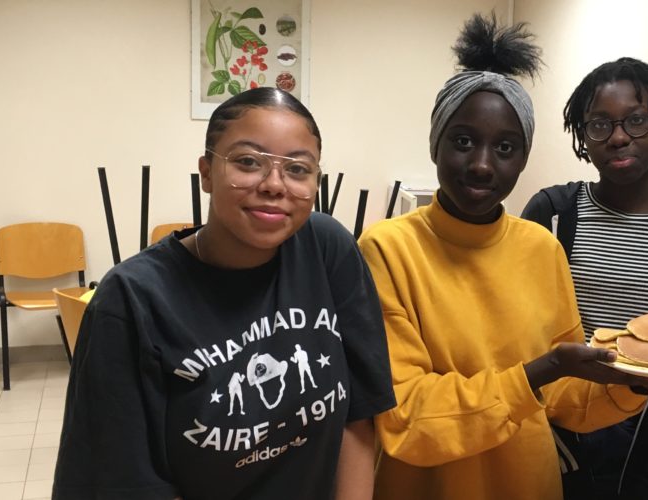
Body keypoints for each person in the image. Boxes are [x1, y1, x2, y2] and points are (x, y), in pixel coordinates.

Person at [357, 14, 648, 500]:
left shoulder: (540, 248)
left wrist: (637, 381)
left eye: (505, 147)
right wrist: (542, 369)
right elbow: (407, 415)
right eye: (463, 141)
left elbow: (566, 400)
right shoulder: (387, 249)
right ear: (435, 144)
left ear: (522, 159)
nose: (482, 164)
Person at [54, 88, 396, 500]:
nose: (274, 185)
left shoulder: (327, 249)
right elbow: (122, 481)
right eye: (248, 161)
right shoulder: (133, 300)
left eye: (297, 169)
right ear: (206, 173)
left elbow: (357, 415)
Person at [521, 57, 648, 499]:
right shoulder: (553, 213)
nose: (619, 136)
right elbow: (519, 327)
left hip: (644, 425)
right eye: (599, 125)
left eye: (637, 120)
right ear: (582, 137)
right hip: (557, 420)